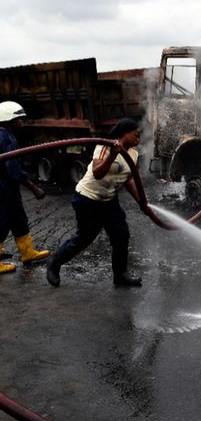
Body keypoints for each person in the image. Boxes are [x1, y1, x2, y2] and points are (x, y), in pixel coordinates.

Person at [46, 118, 144, 287]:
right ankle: (54, 264)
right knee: (84, 239)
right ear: (124, 134)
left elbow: (129, 180)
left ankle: (120, 276)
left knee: (121, 236)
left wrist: (142, 202)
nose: (138, 139)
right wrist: (113, 155)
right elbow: (98, 173)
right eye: (135, 136)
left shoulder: (133, 153)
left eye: (139, 136)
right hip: (87, 198)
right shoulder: (104, 147)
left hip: (109, 200)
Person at [0, 101, 50, 274]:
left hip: (8, 188)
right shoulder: (6, 138)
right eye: (19, 119)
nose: (21, 122)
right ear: (8, 120)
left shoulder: (6, 134)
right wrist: (34, 187)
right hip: (4, 188)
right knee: (2, 222)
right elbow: (13, 170)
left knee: (18, 219)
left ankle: (27, 253)